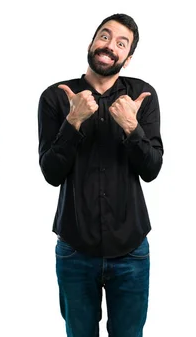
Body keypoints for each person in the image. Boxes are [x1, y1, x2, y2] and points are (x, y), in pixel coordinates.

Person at [37, 13, 163, 337]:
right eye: (105, 36)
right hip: (75, 248)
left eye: (121, 43)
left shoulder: (142, 97)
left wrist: (132, 128)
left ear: (128, 57)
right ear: (92, 43)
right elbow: (51, 172)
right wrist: (73, 122)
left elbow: (152, 169)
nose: (110, 46)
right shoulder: (56, 97)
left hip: (132, 249)